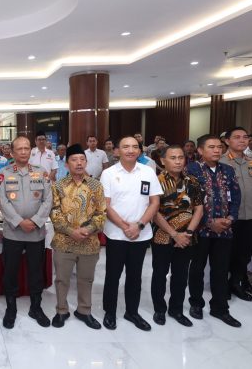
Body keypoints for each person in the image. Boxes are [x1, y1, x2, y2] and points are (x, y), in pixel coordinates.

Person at [100, 137, 161, 331]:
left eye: (135, 147)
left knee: (135, 276)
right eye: (125, 146)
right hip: (116, 234)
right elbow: (105, 205)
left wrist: (139, 225)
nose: (130, 150)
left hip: (141, 234)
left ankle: (132, 312)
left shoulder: (148, 172)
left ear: (140, 151)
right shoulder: (108, 173)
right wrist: (125, 226)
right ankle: (110, 312)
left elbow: (154, 202)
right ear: (117, 151)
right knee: (113, 275)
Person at [186, 134, 242, 327]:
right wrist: (208, 222)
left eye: (219, 147)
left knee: (221, 269)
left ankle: (220, 308)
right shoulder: (191, 170)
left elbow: (236, 196)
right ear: (200, 150)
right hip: (200, 230)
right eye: (211, 147)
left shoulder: (228, 170)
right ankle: (196, 303)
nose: (217, 150)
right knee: (197, 268)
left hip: (224, 229)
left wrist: (230, 218)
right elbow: (188, 202)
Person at [0, 136, 52, 329]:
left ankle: (36, 307)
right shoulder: (4, 173)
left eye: (26, 148)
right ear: (12, 152)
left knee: (36, 271)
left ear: (31, 151)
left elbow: (48, 200)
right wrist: (19, 222)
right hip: (13, 232)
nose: (23, 152)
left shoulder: (41, 172)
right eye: (19, 149)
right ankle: (10, 308)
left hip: (36, 232)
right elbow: (2, 201)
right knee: (10, 271)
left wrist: (35, 221)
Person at [50, 144, 106, 329]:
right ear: (67, 164)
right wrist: (71, 231)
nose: (79, 163)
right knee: (62, 279)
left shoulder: (96, 185)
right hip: (64, 241)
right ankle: (61, 310)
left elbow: (101, 213)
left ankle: (84, 310)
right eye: (74, 160)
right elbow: (54, 212)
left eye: (82, 159)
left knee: (86, 279)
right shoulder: (58, 186)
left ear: (86, 162)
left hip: (89, 242)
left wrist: (88, 230)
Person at [151, 145, 204, 327]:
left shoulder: (192, 181)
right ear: (162, 160)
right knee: (160, 274)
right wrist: (174, 234)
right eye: (173, 158)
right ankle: (159, 309)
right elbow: (153, 212)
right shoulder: (155, 182)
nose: (178, 161)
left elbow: (199, 208)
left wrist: (188, 233)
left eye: (181, 157)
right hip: (162, 236)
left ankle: (176, 309)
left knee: (180, 276)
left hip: (187, 237)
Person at [219, 127, 252, 301]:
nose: (242, 140)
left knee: (244, 253)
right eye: (237, 137)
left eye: (245, 137)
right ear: (227, 141)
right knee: (226, 253)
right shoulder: (220, 162)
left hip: (251, 216)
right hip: (229, 217)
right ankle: (222, 285)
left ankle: (236, 282)